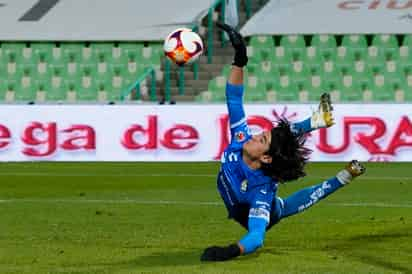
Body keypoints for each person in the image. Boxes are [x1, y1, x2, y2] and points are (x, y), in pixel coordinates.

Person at [200, 23, 366, 262]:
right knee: (281, 141)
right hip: (251, 186)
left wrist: (228, 251)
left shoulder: (261, 193)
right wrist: (239, 59)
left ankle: (344, 176)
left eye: (261, 138)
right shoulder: (241, 140)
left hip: (255, 210)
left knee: (285, 207)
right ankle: (316, 120)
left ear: (265, 158)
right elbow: (234, 99)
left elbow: (257, 237)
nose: (255, 135)